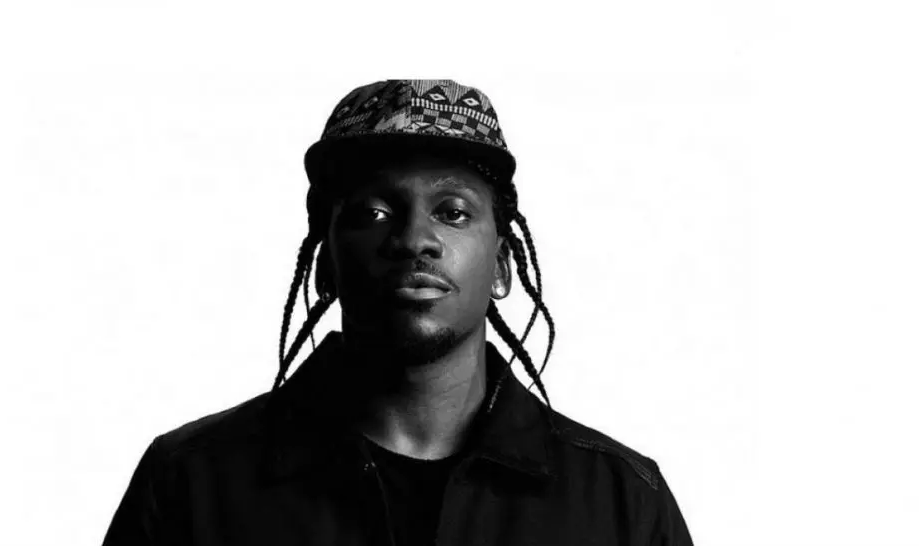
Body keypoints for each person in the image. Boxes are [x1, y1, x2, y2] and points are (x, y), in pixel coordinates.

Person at [102, 79, 694, 546]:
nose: (415, 240)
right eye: (373, 213)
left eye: (453, 212)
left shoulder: (622, 502)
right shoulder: (190, 484)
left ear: (502, 266)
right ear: (326, 265)